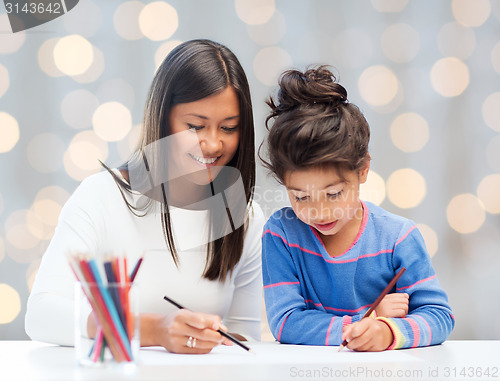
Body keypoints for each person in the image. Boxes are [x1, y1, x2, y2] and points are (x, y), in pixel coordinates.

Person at [25, 39, 265, 354]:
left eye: (229, 128)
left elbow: (243, 338)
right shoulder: (102, 197)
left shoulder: (245, 216)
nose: (213, 144)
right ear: (162, 119)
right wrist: (153, 330)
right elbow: (41, 315)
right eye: (195, 127)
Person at [260, 66, 454, 351]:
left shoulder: (398, 237)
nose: (320, 212)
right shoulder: (281, 235)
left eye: (334, 194)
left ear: (363, 170)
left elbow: (439, 317)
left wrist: (388, 331)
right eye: (301, 197)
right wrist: (365, 320)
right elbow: (286, 322)